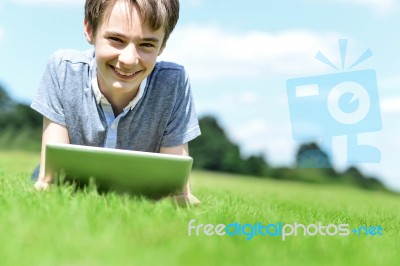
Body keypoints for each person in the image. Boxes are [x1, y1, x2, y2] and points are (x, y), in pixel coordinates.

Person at [30, 0, 201, 206]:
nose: (129, 60)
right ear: (89, 30)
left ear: (162, 45)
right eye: (116, 39)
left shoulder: (173, 83)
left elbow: (176, 192)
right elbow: (51, 179)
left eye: (146, 44)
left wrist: (181, 198)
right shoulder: (63, 69)